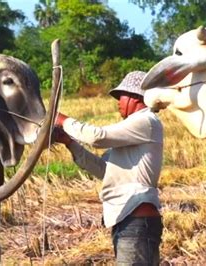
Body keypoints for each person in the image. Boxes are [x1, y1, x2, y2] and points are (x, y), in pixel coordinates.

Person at [53, 71, 164, 265]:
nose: (118, 102)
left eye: (120, 96)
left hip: (136, 222)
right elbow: (103, 170)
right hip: (126, 221)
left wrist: (62, 120)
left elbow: (98, 137)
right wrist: (69, 143)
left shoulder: (146, 121)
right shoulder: (133, 129)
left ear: (135, 97)